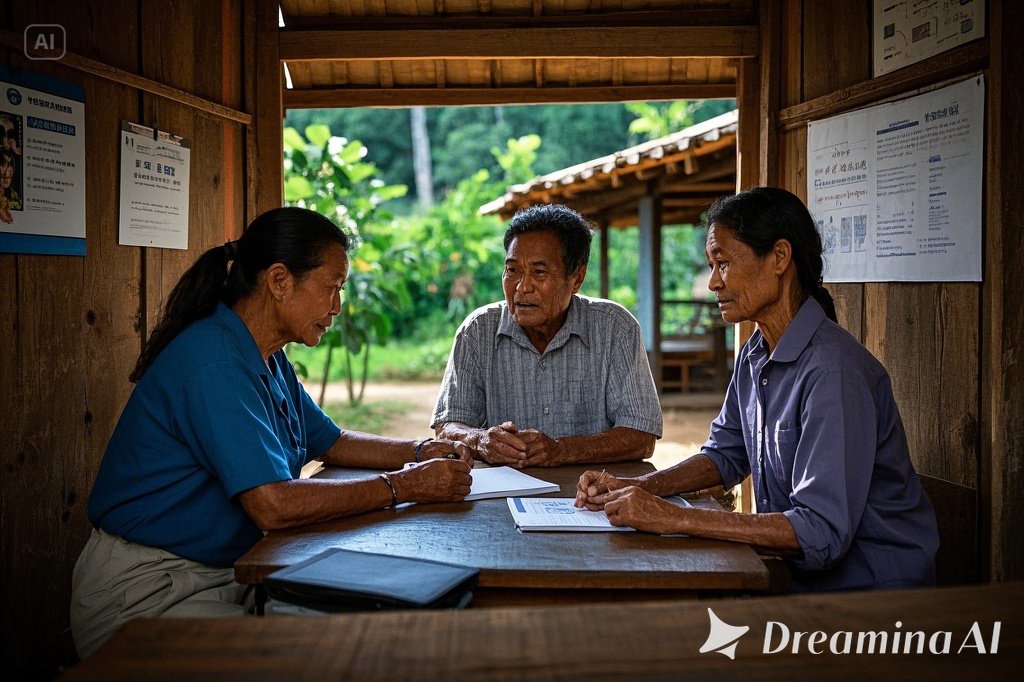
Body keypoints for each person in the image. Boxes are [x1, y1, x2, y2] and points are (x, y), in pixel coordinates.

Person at [71, 207, 473, 658]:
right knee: (317, 656)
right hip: (148, 591)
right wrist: (406, 485)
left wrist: (421, 450)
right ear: (280, 281)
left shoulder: (266, 355)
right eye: (331, 288)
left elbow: (332, 441)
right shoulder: (215, 361)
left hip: (228, 574)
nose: (337, 307)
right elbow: (274, 506)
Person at [575, 187, 938, 592]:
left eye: (723, 263)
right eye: (711, 265)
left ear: (780, 258)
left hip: (870, 593)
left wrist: (671, 517)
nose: (713, 282)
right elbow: (726, 454)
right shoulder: (756, 352)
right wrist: (640, 487)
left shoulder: (834, 372)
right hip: (801, 577)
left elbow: (820, 533)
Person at [432, 204, 662, 468]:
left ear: (576, 278)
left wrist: (561, 450)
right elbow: (446, 426)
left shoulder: (615, 328)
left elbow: (642, 437)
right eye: (513, 270)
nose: (522, 286)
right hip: (502, 497)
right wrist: (479, 439)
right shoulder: (477, 330)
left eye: (539, 272)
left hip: (591, 496)